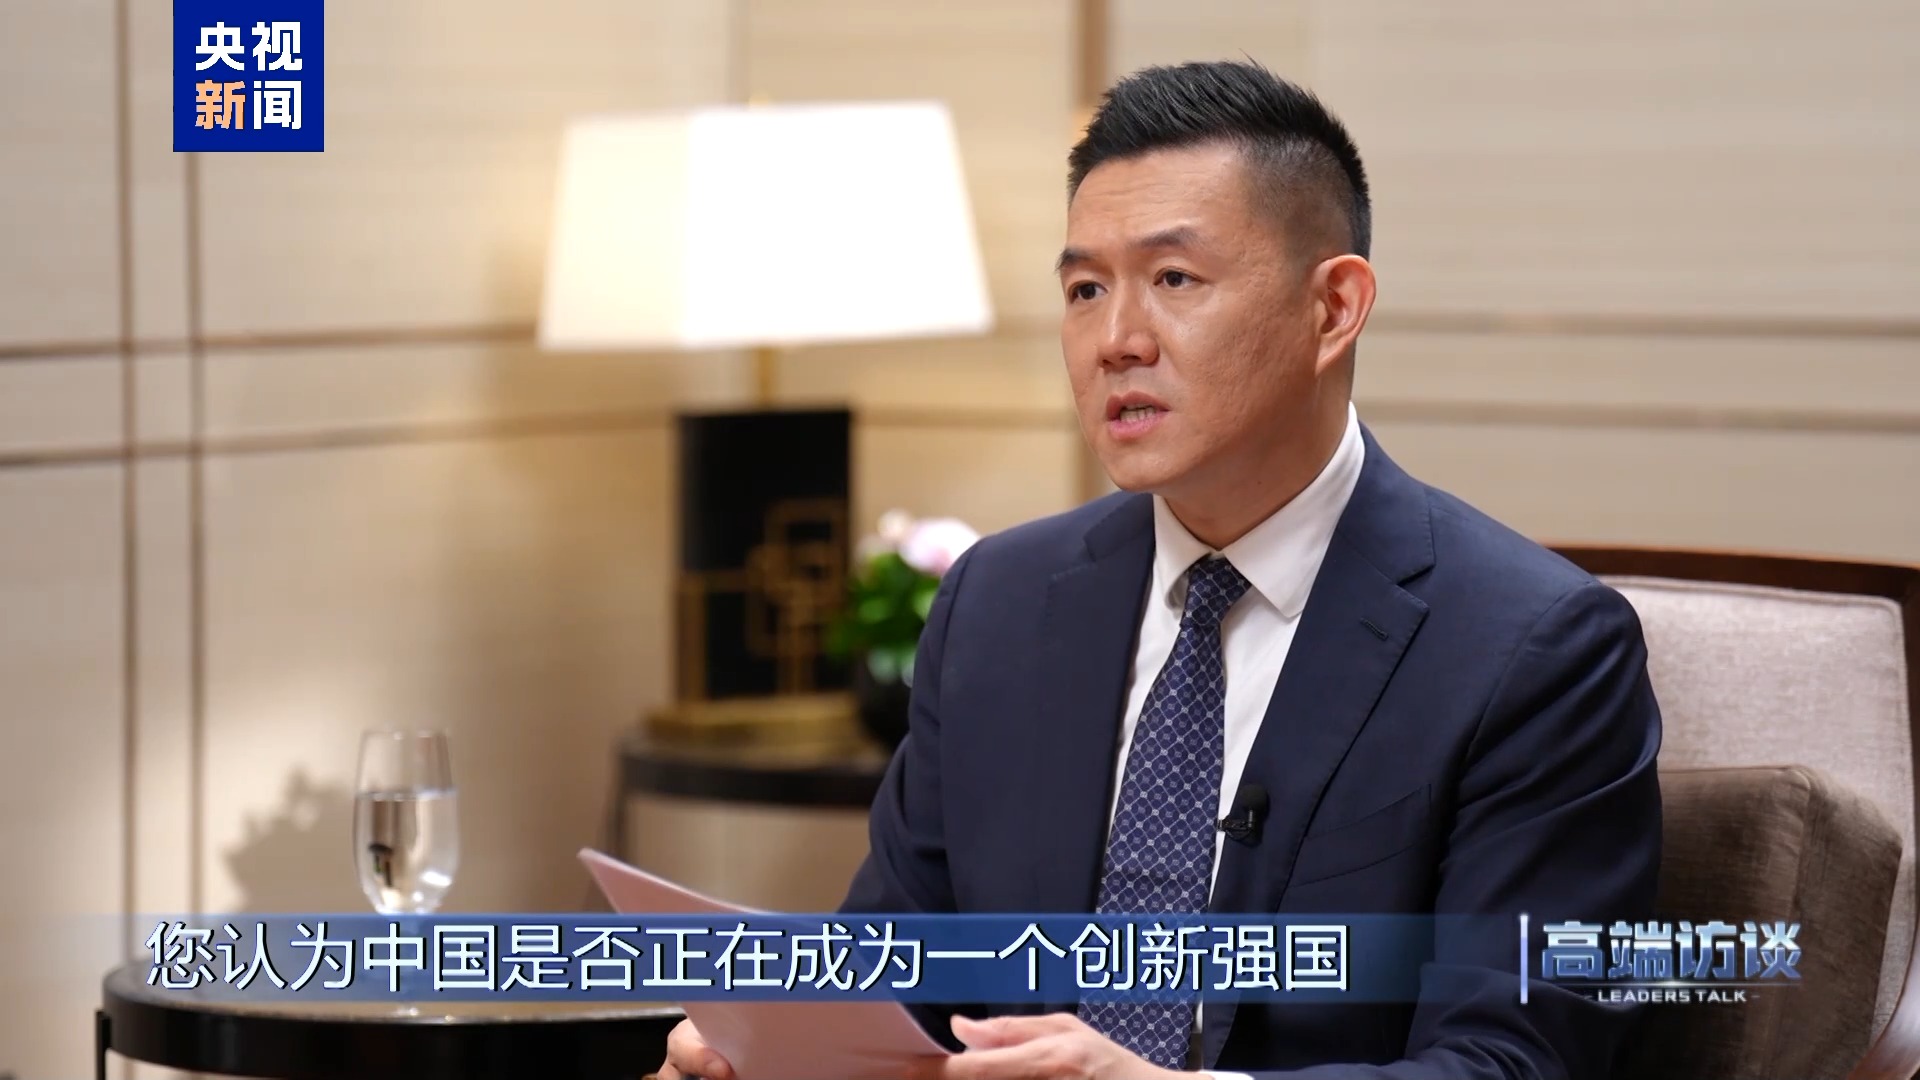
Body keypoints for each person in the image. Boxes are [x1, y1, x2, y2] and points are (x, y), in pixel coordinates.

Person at [658, 59, 1662, 1080]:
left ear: (1334, 308)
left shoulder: (1530, 650)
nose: (1115, 341)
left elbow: (1515, 1059)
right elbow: (900, 972)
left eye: (1174, 280)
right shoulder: (998, 603)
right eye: (1085, 290)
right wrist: (772, 1043)